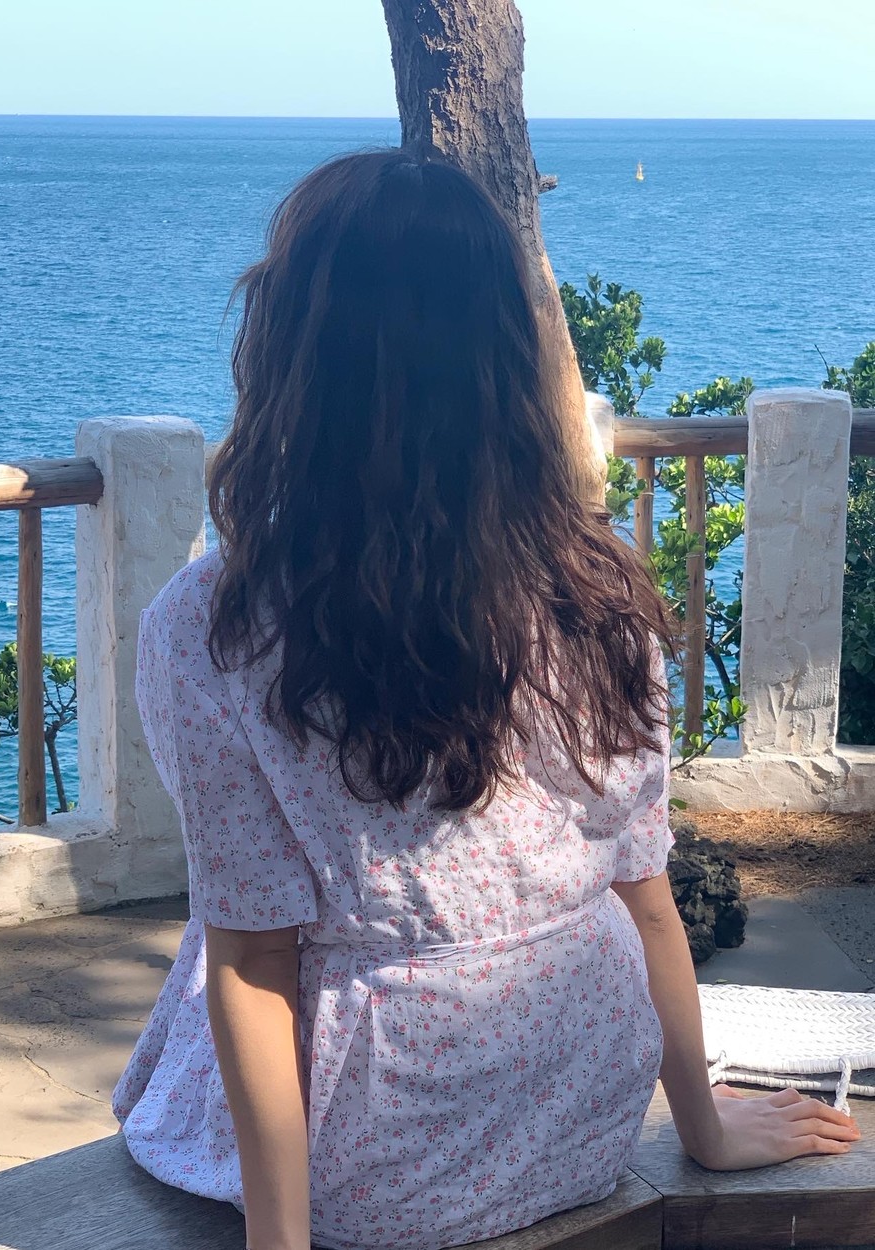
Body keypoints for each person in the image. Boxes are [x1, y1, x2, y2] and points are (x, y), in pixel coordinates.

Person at [112, 148, 859, 1250]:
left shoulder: (216, 624)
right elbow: (645, 891)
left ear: (288, 356)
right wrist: (700, 1126)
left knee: (222, 961)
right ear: (506, 356)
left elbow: (255, 961)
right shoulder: (597, 588)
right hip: (583, 1108)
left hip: (380, 1160)